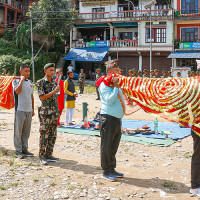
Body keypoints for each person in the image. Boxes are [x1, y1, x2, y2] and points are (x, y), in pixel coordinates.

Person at [97, 59, 124, 181]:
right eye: (116, 70)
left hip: (116, 119)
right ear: (110, 72)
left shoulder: (114, 85)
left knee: (114, 146)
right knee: (106, 146)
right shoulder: (104, 84)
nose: (119, 72)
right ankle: (106, 171)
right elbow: (108, 100)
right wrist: (116, 88)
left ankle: (112, 168)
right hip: (108, 118)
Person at [36, 63, 60, 165]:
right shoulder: (40, 82)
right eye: (50, 70)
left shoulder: (54, 83)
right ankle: (42, 156)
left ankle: (49, 154)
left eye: (53, 70)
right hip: (45, 113)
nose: (53, 72)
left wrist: (57, 111)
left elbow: (56, 98)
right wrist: (54, 91)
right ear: (45, 71)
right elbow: (42, 97)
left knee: (53, 134)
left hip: (54, 112)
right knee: (44, 135)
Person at [12, 64, 34, 159]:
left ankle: (25, 149)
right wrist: (21, 80)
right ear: (21, 72)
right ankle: (18, 151)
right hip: (20, 109)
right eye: (25, 71)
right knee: (18, 131)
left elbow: (31, 96)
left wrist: (32, 109)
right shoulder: (16, 81)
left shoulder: (30, 82)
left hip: (29, 110)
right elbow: (17, 91)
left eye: (28, 71)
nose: (27, 73)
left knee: (26, 132)